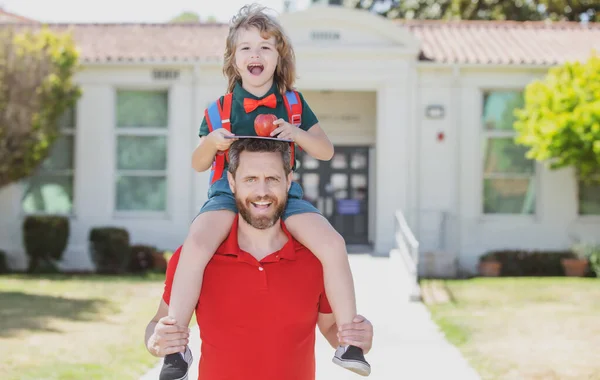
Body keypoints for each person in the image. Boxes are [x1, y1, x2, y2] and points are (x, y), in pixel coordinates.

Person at [162, 3, 371, 379]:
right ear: (233, 59)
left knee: (332, 243)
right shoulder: (219, 108)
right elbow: (197, 163)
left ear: (279, 57)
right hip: (227, 193)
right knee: (196, 244)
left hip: (287, 193)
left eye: (265, 46)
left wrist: (297, 134)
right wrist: (212, 142)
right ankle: (175, 349)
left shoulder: (293, 104)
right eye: (245, 48)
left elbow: (325, 151)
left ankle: (350, 342)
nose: (255, 54)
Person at [146, 139, 374, 380]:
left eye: (272, 179)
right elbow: (158, 323)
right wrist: (156, 341)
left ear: (288, 182)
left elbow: (330, 328)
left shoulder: (317, 259)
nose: (262, 192)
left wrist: (355, 337)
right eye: (250, 179)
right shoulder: (195, 257)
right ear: (232, 183)